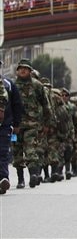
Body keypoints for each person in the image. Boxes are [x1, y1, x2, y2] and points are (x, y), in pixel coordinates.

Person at [13, 59, 52, 188]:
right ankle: (20, 180)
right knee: (17, 152)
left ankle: (34, 175)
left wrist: (47, 123)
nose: (23, 70)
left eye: (26, 68)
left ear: (30, 71)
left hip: (32, 124)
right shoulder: (12, 86)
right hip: (15, 126)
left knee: (31, 149)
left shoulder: (37, 85)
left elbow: (46, 105)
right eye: (20, 68)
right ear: (17, 70)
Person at [0, 64, 24, 194]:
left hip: (4, 125)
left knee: (3, 152)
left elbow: (17, 104)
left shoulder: (8, 84)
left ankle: (3, 178)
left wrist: (16, 124)